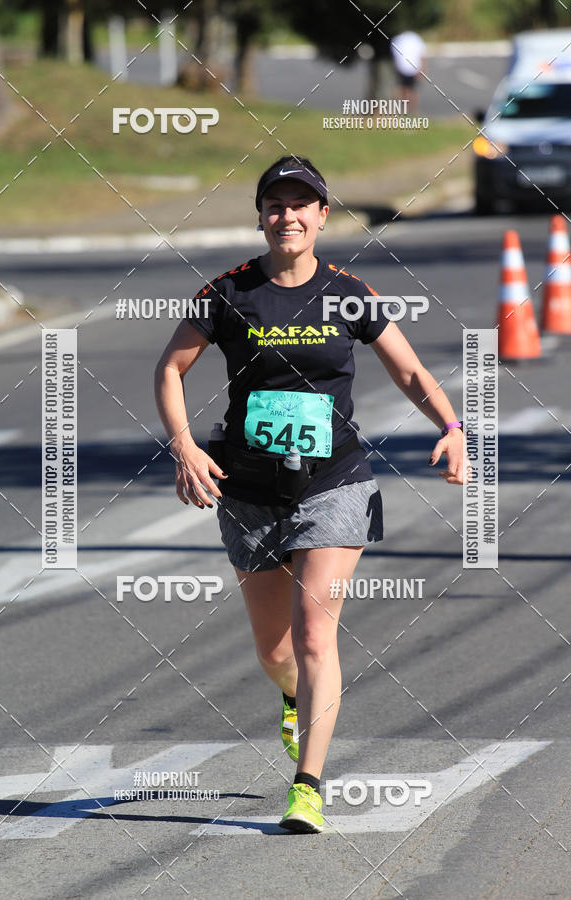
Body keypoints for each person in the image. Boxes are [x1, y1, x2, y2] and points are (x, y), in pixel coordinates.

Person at [154, 156, 465, 833]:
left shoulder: (348, 293)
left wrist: (451, 426)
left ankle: (308, 787)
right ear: (260, 215)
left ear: (322, 215)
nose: (288, 216)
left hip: (334, 483)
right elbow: (170, 369)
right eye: (275, 204)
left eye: (302, 204)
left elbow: (410, 369)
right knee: (275, 652)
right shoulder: (227, 294)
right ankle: (294, 701)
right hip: (249, 488)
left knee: (314, 635)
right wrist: (185, 447)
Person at [390, 30, 426, 114]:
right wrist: (422, 69)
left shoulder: (399, 38)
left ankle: (409, 111)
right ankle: (408, 110)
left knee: (406, 90)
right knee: (408, 90)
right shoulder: (414, 38)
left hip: (406, 68)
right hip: (409, 68)